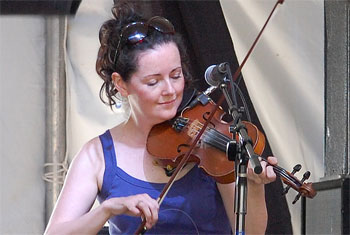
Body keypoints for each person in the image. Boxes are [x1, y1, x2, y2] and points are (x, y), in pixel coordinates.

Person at [45, 1, 277, 234]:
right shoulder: (97, 156)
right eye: (153, 81)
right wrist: (106, 209)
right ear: (121, 84)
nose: (170, 90)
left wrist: (255, 189)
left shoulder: (210, 140)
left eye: (176, 76)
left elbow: (251, 232)